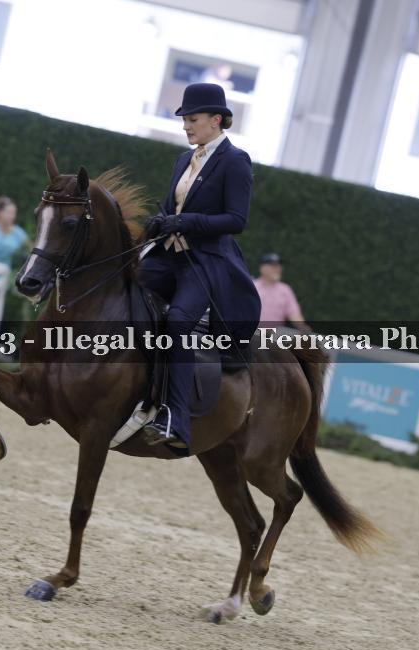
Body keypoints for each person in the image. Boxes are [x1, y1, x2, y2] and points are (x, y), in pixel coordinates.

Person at [138, 82, 261, 456]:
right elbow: (171, 209)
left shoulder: (235, 160)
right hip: (169, 257)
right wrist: (159, 222)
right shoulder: (183, 160)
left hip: (206, 263)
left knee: (177, 322)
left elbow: (236, 220)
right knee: (120, 291)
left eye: (192, 119)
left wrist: (186, 221)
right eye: (185, 119)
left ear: (216, 120)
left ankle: (176, 419)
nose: (186, 126)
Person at [254, 252, 312, 334]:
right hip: (252, 334)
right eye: (273, 266)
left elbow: (293, 313)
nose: (278, 269)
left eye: (279, 266)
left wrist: (302, 327)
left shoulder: (285, 290)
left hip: (274, 336)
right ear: (262, 268)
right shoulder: (252, 287)